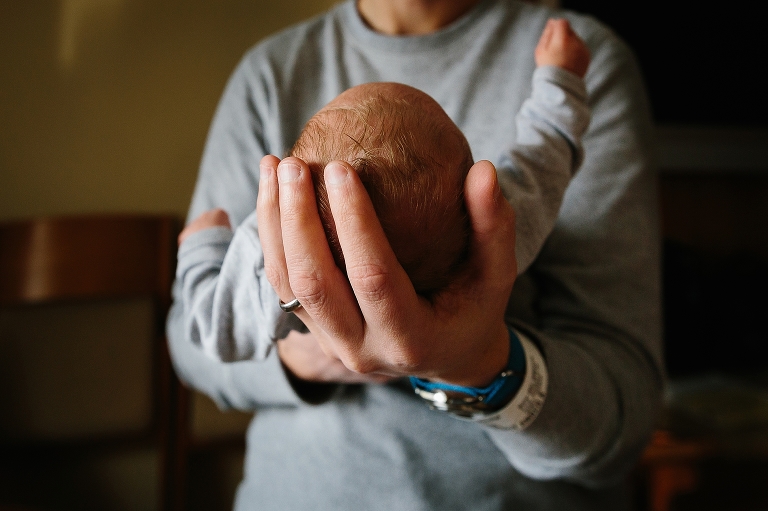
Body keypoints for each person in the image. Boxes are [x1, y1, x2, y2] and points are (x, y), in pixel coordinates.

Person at [168, 0, 663, 508]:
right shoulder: (495, 219)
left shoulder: (268, 248)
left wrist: (478, 364)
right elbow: (547, 152)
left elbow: (210, 325)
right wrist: (558, 85)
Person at [191, 39, 592, 363]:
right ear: (470, 194)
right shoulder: (497, 237)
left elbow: (212, 329)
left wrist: (202, 249)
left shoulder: (267, 257)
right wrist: (560, 82)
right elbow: (542, 160)